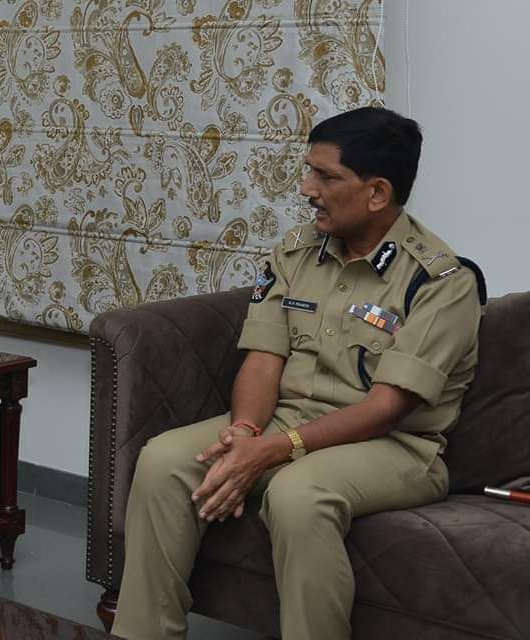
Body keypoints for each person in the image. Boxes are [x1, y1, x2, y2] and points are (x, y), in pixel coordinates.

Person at [111, 107, 483, 640]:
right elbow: (263, 359)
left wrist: (274, 449)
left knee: (297, 493)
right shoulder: (296, 253)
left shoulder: (441, 281)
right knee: (166, 460)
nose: (307, 188)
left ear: (377, 192)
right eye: (309, 170)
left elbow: (386, 408)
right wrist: (243, 434)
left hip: (397, 446)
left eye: (326, 176)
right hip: (289, 420)